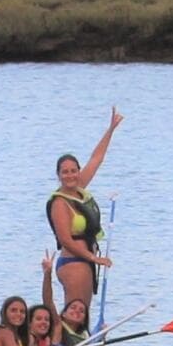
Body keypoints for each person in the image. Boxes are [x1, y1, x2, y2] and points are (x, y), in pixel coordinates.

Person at [46, 107, 123, 311]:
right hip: (73, 263)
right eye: (65, 172)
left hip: (85, 262)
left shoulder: (79, 189)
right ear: (58, 175)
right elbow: (66, 240)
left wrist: (111, 129)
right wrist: (94, 258)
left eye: (74, 171)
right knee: (75, 314)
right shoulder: (60, 204)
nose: (70, 175)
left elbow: (96, 158)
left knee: (83, 316)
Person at [42, 255, 111, 346]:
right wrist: (47, 274)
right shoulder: (58, 326)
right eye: (73, 308)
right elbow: (48, 301)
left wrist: (102, 339)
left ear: (84, 319)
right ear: (64, 314)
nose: (77, 311)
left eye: (81, 311)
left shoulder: (82, 338)